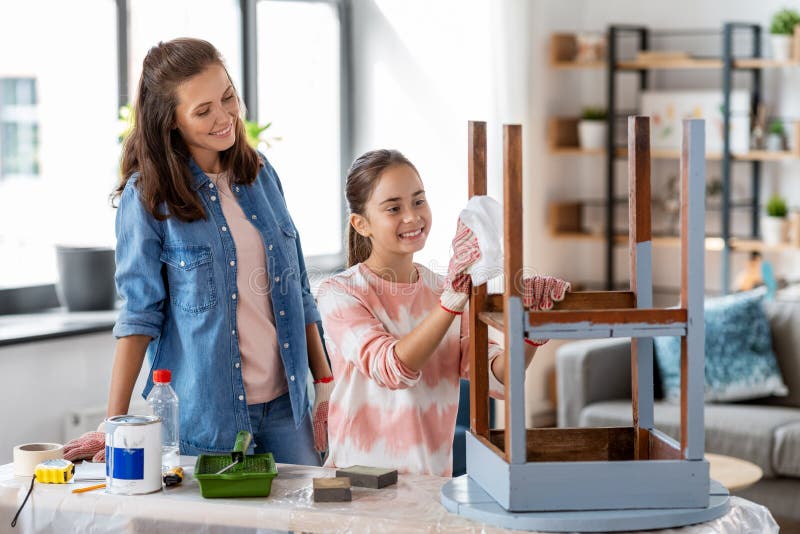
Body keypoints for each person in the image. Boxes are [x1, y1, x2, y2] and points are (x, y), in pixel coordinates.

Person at [62, 38, 333, 465]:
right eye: (203, 111)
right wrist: (114, 423)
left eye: (228, 97)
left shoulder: (261, 175)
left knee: (303, 528)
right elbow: (139, 316)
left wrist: (326, 385)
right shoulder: (148, 197)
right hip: (207, 418)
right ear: (170, 122)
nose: (224, 117)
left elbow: (297, 289)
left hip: (288, 408)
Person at [315, 149, 570, 476]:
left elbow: (497, 379)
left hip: (430, 484)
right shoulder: (339, 292)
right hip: (360, 484)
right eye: (394, 208)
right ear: (361, 223)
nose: (412, 217)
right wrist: (451, 300)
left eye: (418, 201)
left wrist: (531, 331)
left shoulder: (442, 289)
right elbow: (392, 368)